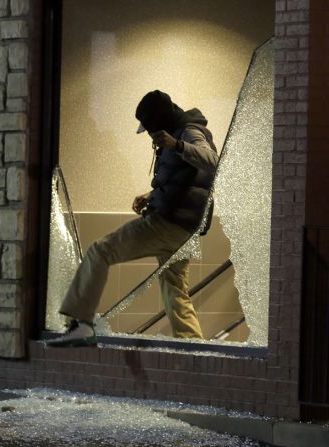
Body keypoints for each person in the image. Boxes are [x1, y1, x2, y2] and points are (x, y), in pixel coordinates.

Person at [45, 90, 218, 347]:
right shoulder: (181, 131)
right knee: (174, 289)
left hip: (169, 225)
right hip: (185, 229)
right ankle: (193, 348)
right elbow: (185, 180)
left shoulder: (188, 133)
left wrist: (176, 145)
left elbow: (212, 161)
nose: (150, 136)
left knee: (100, 251)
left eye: (150, 130)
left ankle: (81, 324)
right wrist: (151, 195)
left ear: (159, 123)